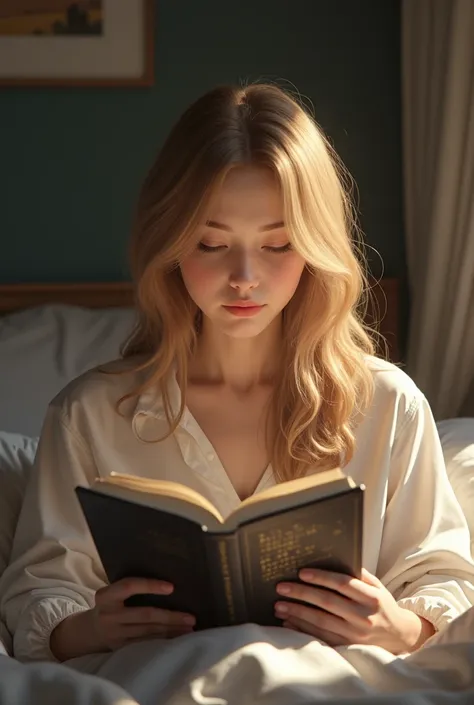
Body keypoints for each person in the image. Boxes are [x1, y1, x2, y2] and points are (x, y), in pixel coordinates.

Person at [1, 83, 473, 666]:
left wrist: (395, 624)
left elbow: (446, 586)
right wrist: (95, 628)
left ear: (315, 247)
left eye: (277, 245)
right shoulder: (90, 414)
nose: (244, 276)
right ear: (170, 245)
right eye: (211, 243)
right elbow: (38, 604)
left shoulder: (387, 404)